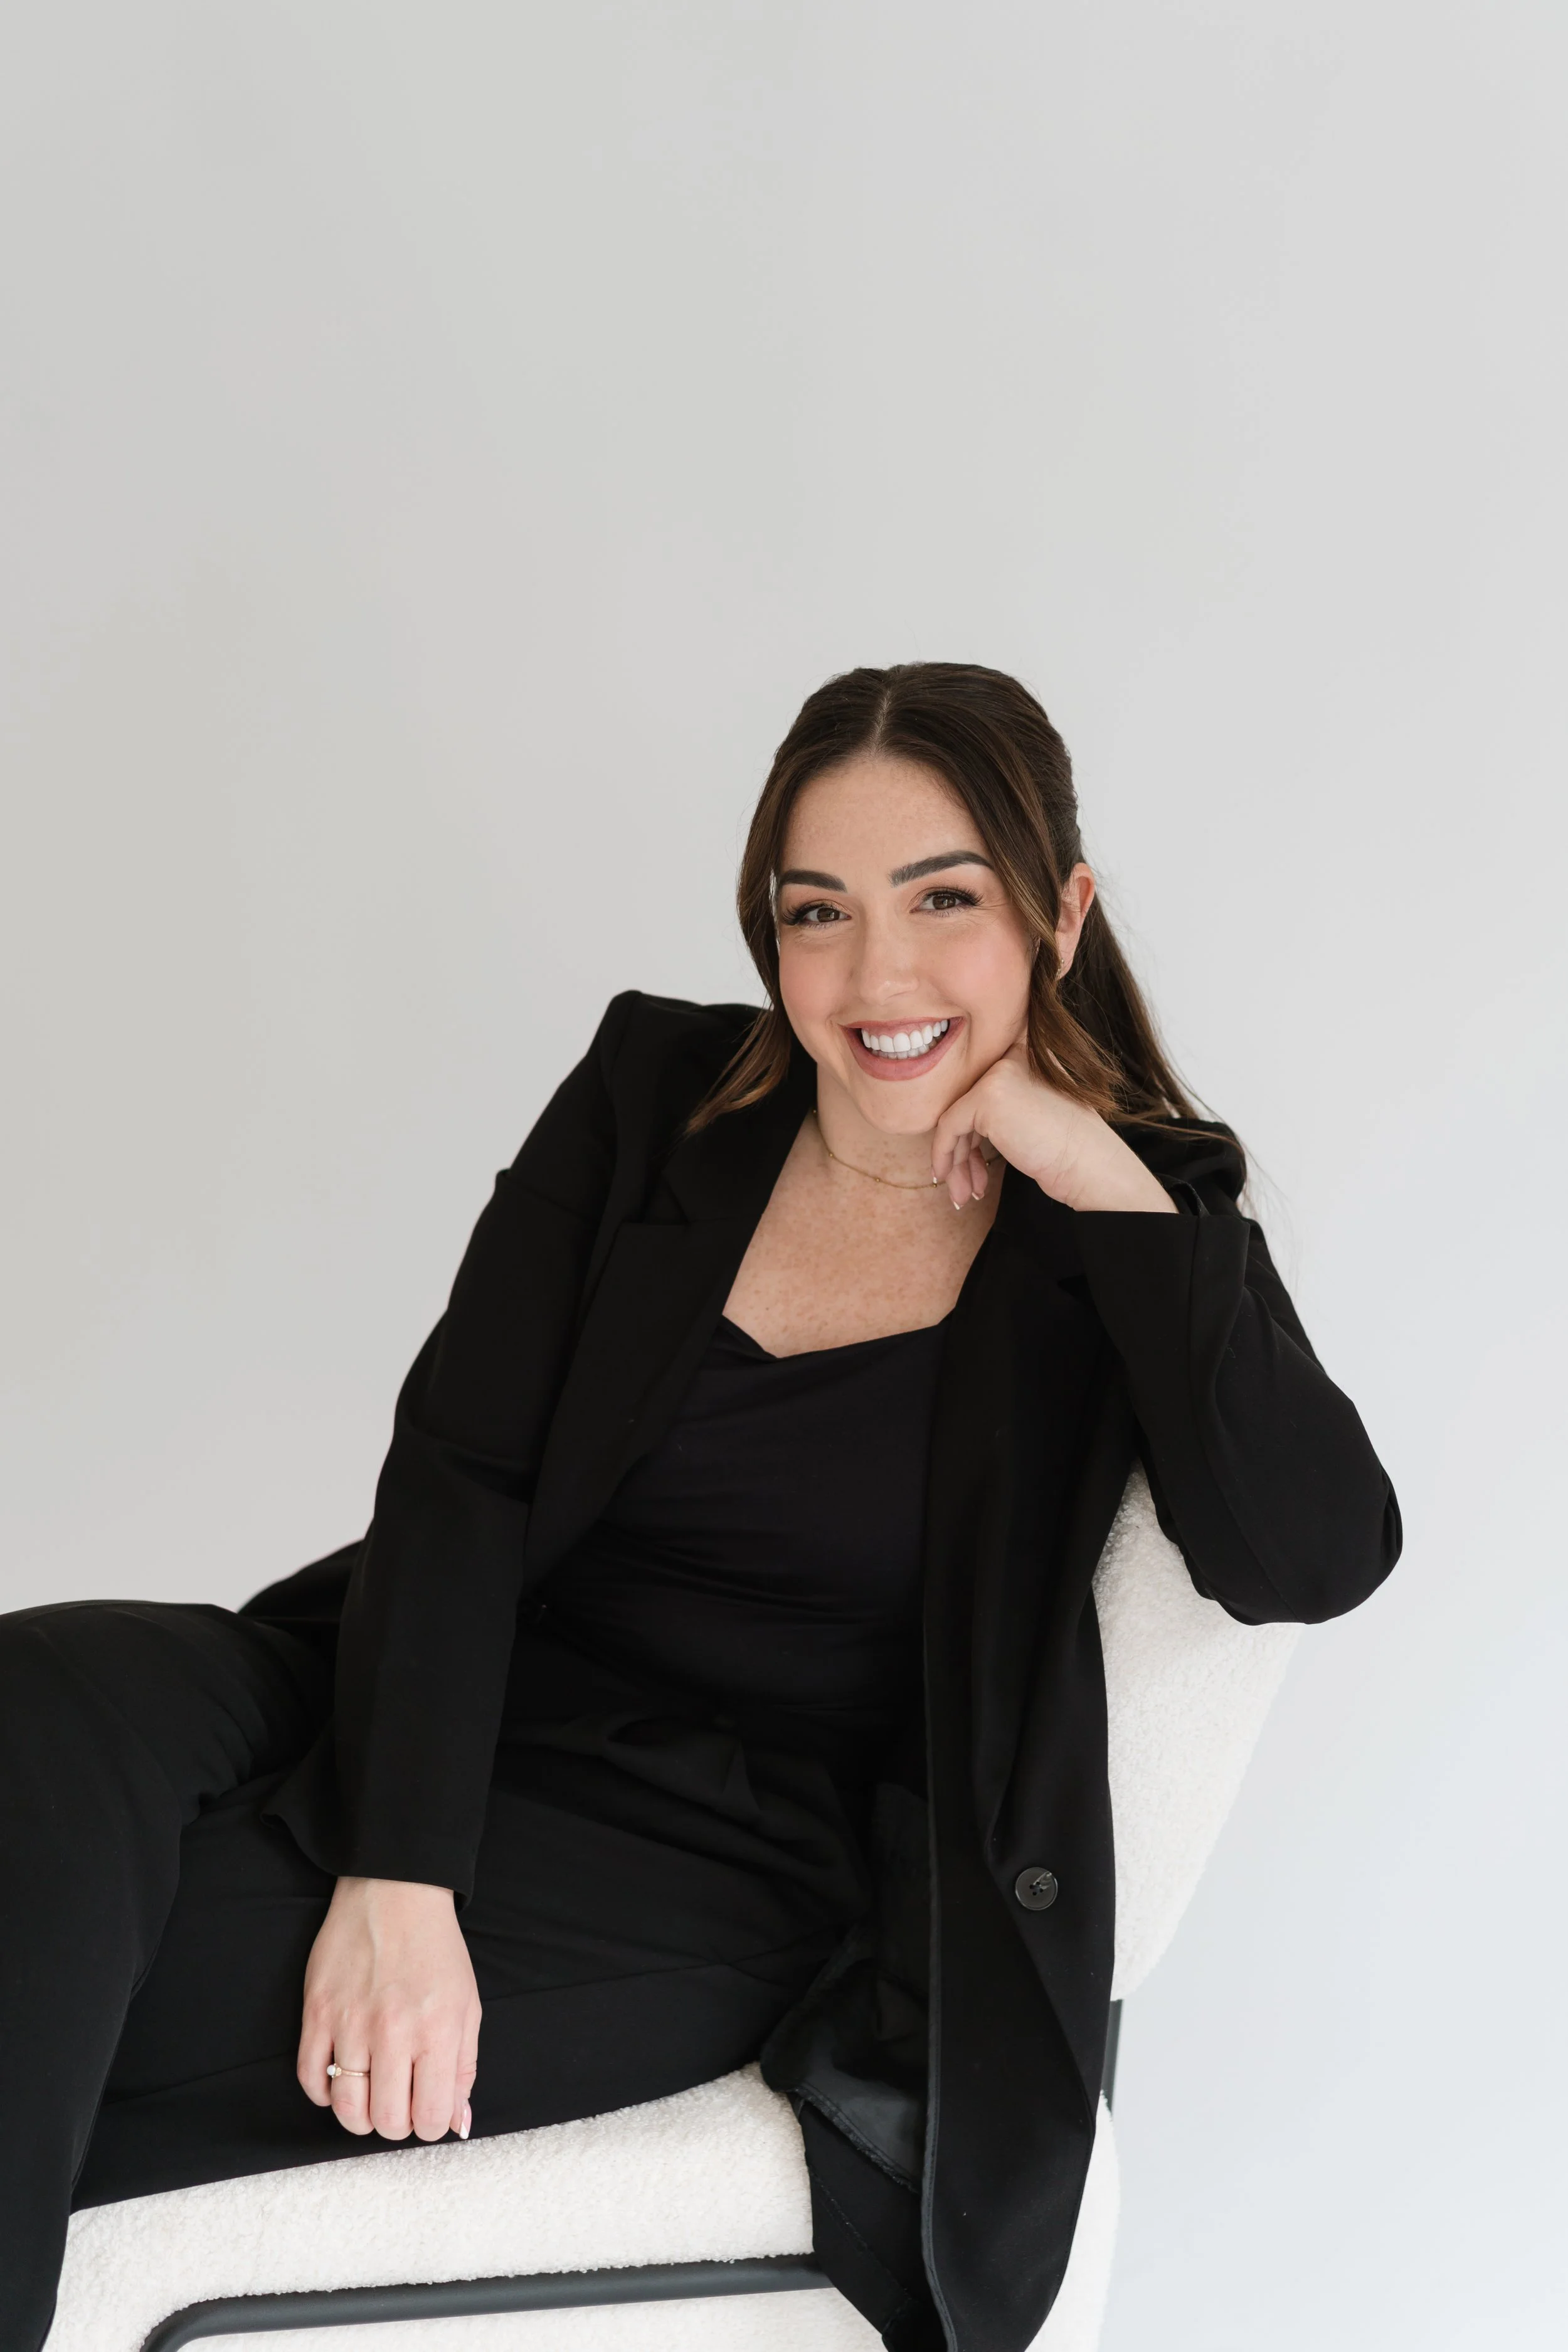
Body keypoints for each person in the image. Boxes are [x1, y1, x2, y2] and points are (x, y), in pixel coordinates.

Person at [0, 662, 1401, 2352]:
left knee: (110, 1980)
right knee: (41, 1696)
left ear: (1061, 912)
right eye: (819, 912)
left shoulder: (1121, 1220)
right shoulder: (655, 1093)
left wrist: (1094, 1167)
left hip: (714, 1845)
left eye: (943, 900)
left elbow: (1312, 1551)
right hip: (428, 1679)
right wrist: (398, 1866)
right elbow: (462, 1474)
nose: (876, 976)